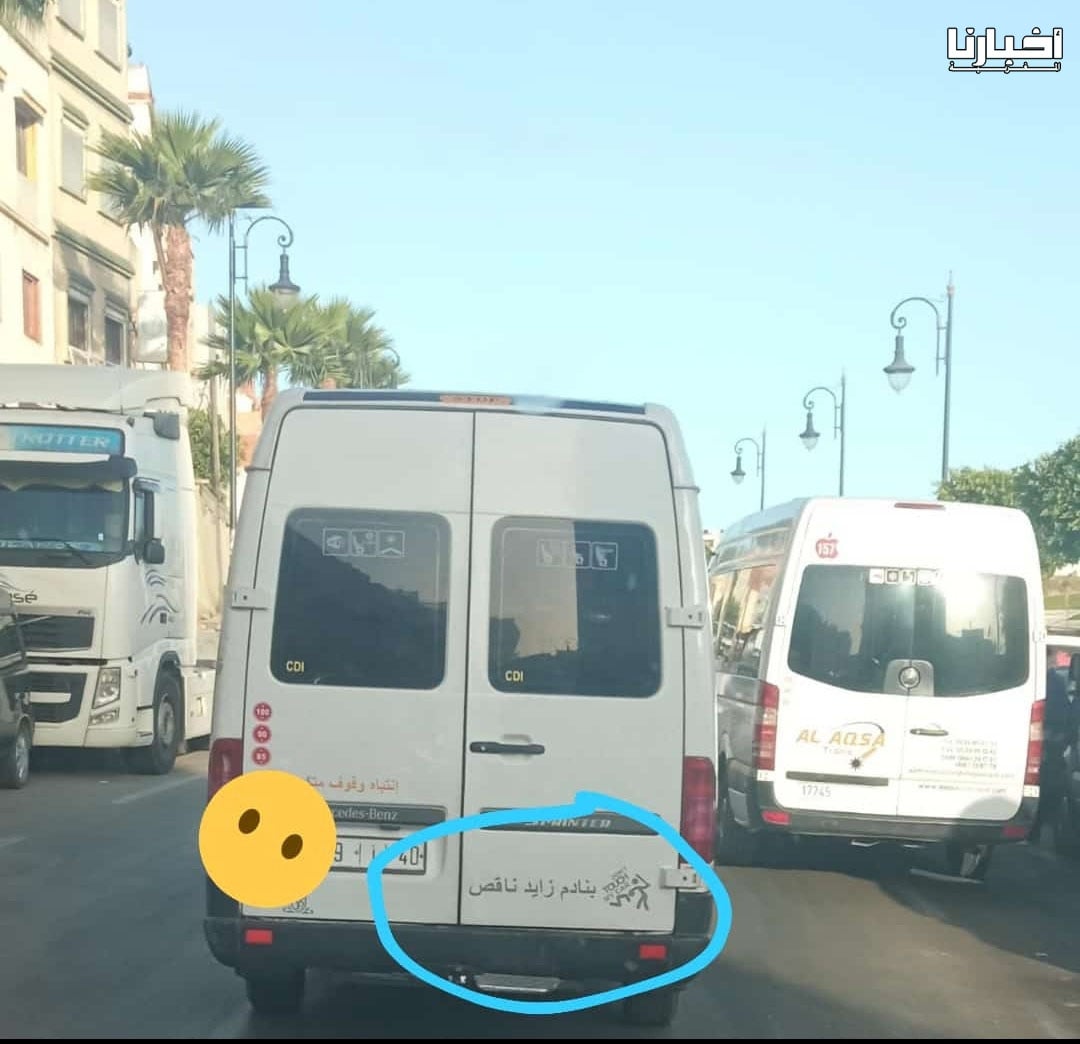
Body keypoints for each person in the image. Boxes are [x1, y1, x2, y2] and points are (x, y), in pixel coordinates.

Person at [1030, 650, 1075, 842]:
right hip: (1050, 746)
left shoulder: (1050, 681)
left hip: (1048, 746)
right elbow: (1066, 716)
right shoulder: (1053, 682)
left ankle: (1038, 829)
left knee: (1047, 787)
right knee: (1050, 788)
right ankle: (1041, 828)